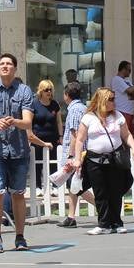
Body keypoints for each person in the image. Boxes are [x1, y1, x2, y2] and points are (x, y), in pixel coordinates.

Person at [0, 53, 35, 254]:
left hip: (19, 150)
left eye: (9, 64)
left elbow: (28, 121)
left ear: (14, 68)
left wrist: (14, 121)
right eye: (2, 64)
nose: (5, 66)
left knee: (18, 194)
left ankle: (20, 236)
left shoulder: (24, 91)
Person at [75, 87, 134, 235]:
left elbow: (126, 135)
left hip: (114, 158)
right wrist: (77, 159)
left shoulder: (118, 116)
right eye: (110, 99)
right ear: (102, 100)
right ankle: (103, 224)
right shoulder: (88, 117)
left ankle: (117, 222)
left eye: (113, 98)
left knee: (116, 191)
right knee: (100, 192)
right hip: (94, 159)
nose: (113, 102)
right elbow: (79, 140)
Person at [53, 81, 93, 228]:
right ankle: (71, 216)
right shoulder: (83, 108)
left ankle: (102, 207)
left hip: (77, 154)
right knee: (73, 185)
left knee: (77, 186)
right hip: (82, 152)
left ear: (67, 95)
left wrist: (72, 156)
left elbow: (75, 134)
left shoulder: (75, 110)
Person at [27, 79, 61, 194]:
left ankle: (55, 186)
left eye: (50, 90)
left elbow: (59, 122)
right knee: (38, 163)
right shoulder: (34, 103)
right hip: (38, 139)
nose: (49, 92)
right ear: (41, 91)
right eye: (46, 90)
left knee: (53, 163)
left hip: (53, 138)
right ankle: (38, 186)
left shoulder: (55, 104)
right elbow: (29, 122)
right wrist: (30, 135)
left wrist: (60, 136)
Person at [110, 61, 134, 138]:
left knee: (131, 135)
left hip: (130, 112)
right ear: (123, 69)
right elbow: (130, 90)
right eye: (129, 70)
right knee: (124, 135)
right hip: (123, 111)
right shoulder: (116, 79)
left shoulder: (127, 81)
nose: (130, 72)